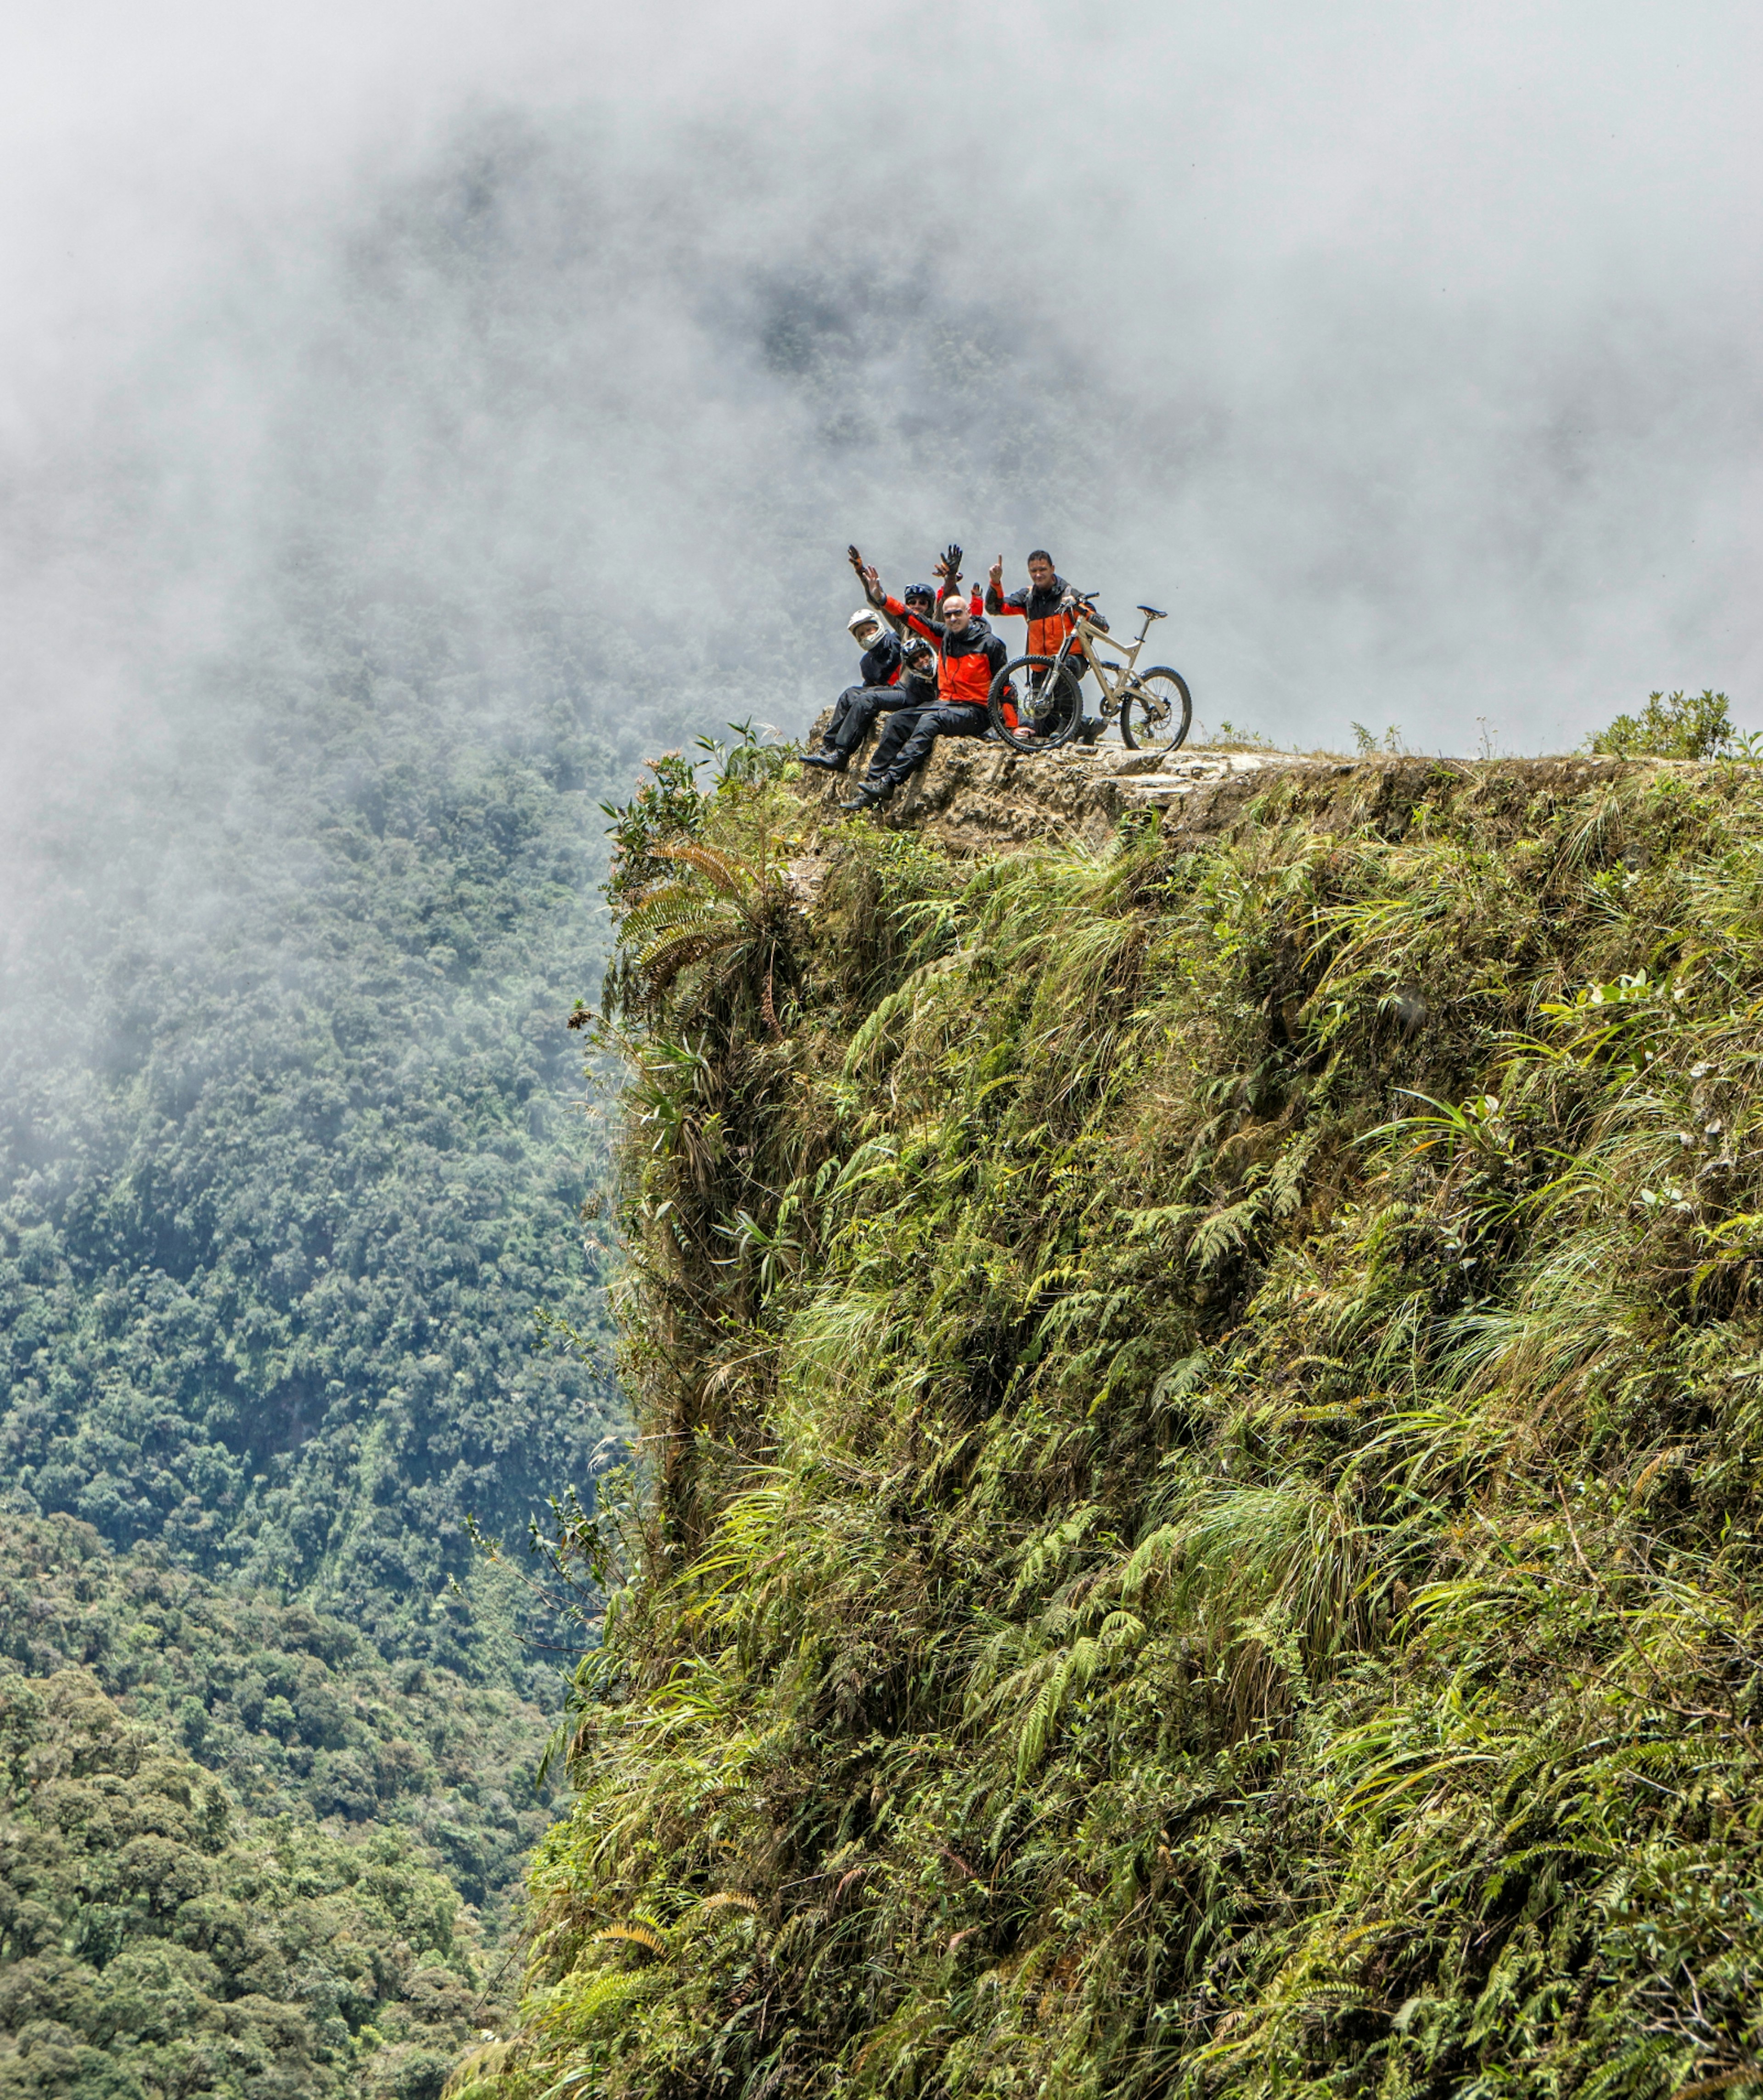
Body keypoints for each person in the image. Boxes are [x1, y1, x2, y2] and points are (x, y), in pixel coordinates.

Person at [839, 570, 1007, 810]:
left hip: (976, 711)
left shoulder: (991, 645)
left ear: (969, 613)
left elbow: (1006, 686)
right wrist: (883, 599)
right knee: (898, 721)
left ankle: (890, 780)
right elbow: (913, 618)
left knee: (931, 721)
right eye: (948, 615)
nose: (952, 619)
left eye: (957, 614)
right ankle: (872, 786)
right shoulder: (946, 638)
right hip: (947, 704)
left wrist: (1012, 726)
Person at [985, 549, 1108, 741]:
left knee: (1063, 668)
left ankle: (1068, 721)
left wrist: (1076, 606)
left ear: (1053, 569)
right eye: (1033, 571)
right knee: (1044, 730)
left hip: (1072, 661)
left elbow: (1101, 624)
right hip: (1041, 668)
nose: (1038, 575)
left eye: (1043, 569)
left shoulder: (1068, 593)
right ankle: (1088, 725)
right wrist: (996, 582)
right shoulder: (1028, 598)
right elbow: (996, 608)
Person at [799, 610, 936, 774]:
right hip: (892, 691)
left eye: (869, 630)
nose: (867, 635)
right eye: (862, 634)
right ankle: (829, 748)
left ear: (878, 626)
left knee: (867, 700)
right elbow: (871, 685)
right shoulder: (867, 663)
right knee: (849, 695)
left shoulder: (898, 641)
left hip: (909, 691)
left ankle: (842, 753)